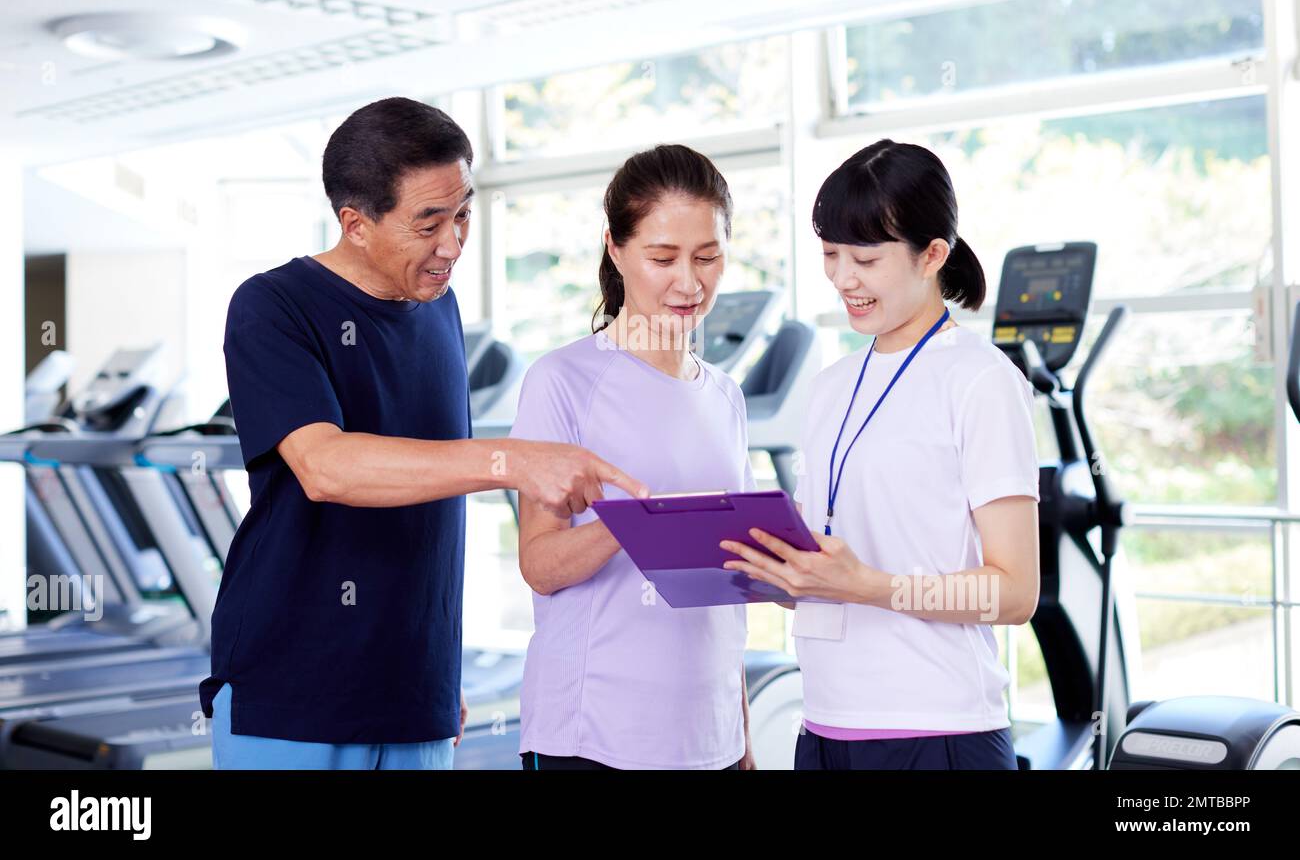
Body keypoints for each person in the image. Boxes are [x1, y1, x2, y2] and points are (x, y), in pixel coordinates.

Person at [200, 97, 646, 769]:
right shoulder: (273, 305)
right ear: (355, 223)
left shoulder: (441, 309)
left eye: (463, 213)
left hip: (415, 696)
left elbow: (431, 504)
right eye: (427, 223)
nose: (453, 243)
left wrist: (437, 670)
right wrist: (513, 460)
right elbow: (326, 468)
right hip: (290, 694)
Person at [721, 139, 1040, 770]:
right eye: (831, 254)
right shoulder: (831, 385)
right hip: (825, 727)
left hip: (938, 730)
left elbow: (1015, 592)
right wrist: (779, 574)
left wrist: (871, 587)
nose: (843, 278)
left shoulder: (981, 380)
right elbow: (829, 559)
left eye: (865, 257)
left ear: (932, 255)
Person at [509, 144, 756, 770]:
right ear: (616, 250)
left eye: (708, 257)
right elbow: (540, 565)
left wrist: (743, 743)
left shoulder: (726, 397)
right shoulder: (562, 380)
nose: (689, 282)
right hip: (594, 740)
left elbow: (726, 598)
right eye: (663, 257)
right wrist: (635, 526)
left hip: (713, 739)